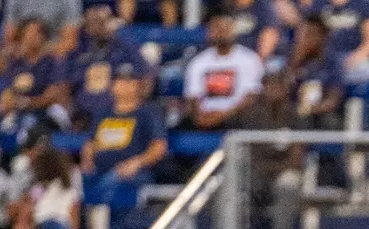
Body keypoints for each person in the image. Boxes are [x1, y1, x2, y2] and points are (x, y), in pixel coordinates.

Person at [80, 63, 166, 218]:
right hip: (99, 172)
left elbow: (159, 146)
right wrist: (87, 159)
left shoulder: (147, 113)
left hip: (132, 175)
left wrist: (137, 163)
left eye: (130, 81)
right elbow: (90, 143)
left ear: (138, 85)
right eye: (120, 81)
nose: (125, 85)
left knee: (112, 186)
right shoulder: (103, 114)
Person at [183, 12, 265, 130]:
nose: (221, 32)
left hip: (237, 116)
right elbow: (192, 96)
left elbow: (252, 96)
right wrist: (199, 116)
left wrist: (224, 115)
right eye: (217, 28)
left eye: (225, 28)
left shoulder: (249, 59)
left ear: (233, 30)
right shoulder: (198, 62)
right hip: (205, 116)